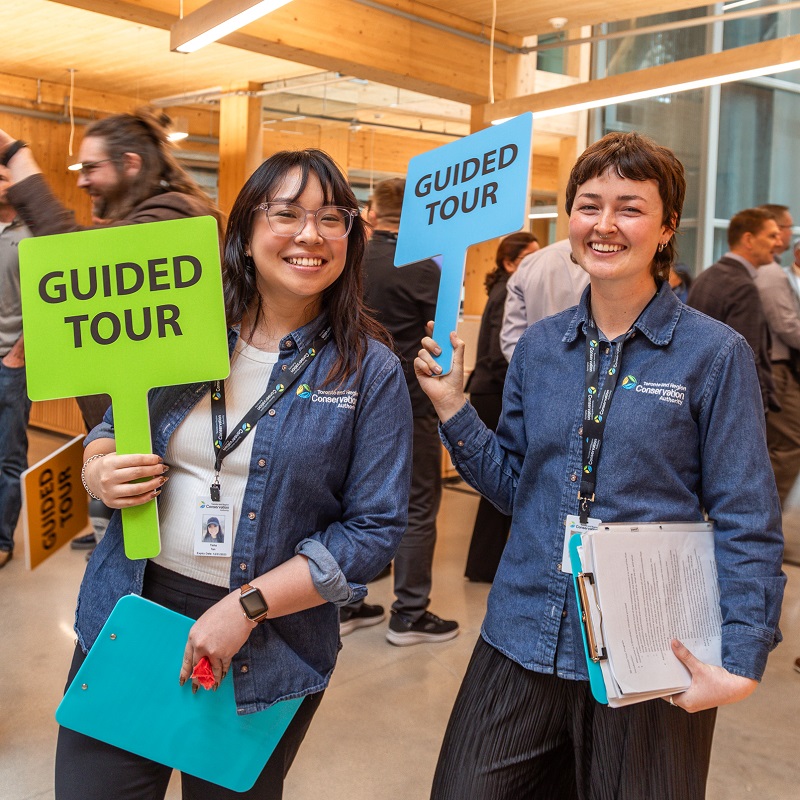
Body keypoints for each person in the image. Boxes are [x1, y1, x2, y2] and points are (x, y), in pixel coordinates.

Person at [414, 132, 785, 799]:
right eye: (589, 205)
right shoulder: (542, 350)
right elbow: (513, 488)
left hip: (650, 645)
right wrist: (452, 411)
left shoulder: (713, 354)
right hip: (523, 630)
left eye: (630, 207)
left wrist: (741, 654)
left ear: (667, 226)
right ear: (568, 221)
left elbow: (745, 515)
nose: (605, 225)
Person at [52, 149, 413, 800]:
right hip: (132, 609)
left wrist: (247, 608)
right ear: (245, 233)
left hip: (268, 640)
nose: (310, 235)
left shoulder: (368, 370)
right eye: (286, 214)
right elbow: (111, 427)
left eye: (332, 218)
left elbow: (374, 531)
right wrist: (98, 470)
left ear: (351, 238)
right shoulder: (182, 325)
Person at [0, 108, 223, 555]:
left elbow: (73, 255)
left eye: (91, 168)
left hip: (162, 449)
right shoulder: (148, 219)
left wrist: (16, 155)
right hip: (131, 443)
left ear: (131, 164)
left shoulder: (172, 218)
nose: (81, 180)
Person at [358, 177, 459, 646]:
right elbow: (443, 342)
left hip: (349, 395)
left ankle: (346, 603)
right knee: (418, 503)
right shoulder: (429, 269)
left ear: (372, 215)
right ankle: (410, 613)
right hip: (411, 399)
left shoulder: (349, 260)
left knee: (354, 499)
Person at [463, 232, 538, 582]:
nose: (536, 264)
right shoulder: (509, 290)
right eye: (528, 257)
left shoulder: (503, 288)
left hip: (489, 390)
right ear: (510, 263)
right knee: (500, 485)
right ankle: (484, 566)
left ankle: (484, 565)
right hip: (493, 393)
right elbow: (500, 352)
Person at [687, 208, 783, 414]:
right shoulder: (742, 286)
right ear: (748, 239)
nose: (780, 243)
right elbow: (748, 357)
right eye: (772, 236)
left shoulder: (707, 276)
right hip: (734, 405)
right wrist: (760, 407)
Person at [0, 165, 31, 569]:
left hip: (11, 362)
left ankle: (2, 538)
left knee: (8, 455)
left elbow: (43, 305)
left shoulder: (32, 235)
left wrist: (18, 354)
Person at [755, 231, 800, 505]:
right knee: (787, 442)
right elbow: (787, 326)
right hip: (779, 367)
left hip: (787, 368)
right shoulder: (776, 276)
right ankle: (769, 513)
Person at [500, 238, 590, 361]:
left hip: (536, 368)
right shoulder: (610, 260)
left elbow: (512, 340)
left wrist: (532, 373)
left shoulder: (529, 264)